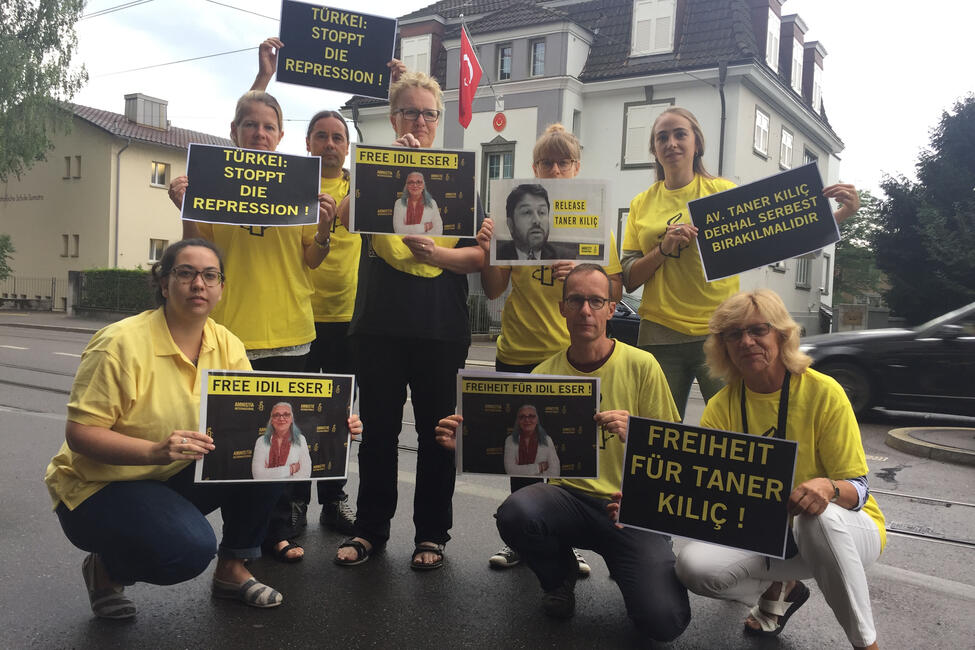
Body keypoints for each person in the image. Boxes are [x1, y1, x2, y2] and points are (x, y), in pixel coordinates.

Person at [435, 265, 690, 641]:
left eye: (596, 301)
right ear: (562, 308)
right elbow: (521, 447)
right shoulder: (544, 374)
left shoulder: (642, 366)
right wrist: (468, 446)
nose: (585, 310)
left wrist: (638, 434)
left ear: (611, 308)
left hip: (629, 508)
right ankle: (560, 577)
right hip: (568, 501)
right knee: (516, 513)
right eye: (576, 300)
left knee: (664, 622)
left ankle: (631, 566)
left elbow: (675, 453)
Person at [44, 240, 285, 617]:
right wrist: (154, 450)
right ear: (163, 283)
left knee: (270, 456)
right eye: (186, 273)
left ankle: (233, 568)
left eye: (210, 275)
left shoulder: (227, 344)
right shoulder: (119, 343)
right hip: (99, 487)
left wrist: (329, 427)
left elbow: (254, 421)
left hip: (170, 474)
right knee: (189, 550)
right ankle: (106, 569)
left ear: (221, 287)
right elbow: (81, 434)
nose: (199, 283)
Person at [168, 39, 336, 563]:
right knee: (230, 443)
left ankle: (275, 531)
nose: (259, 133)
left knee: (284, 437)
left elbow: (312, 258)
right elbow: (198, 247)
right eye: (250, 126)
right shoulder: (216, 182)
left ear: (281, 135)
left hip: (291, 332)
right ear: (235, 131)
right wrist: (185, 205)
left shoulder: (298, 183)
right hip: (229, 336)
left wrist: (325, 230)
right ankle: (225, 536)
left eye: (268, 127)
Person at [333, 67, 485, 571]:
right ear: (394, 117)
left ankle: (431, 534)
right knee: (378, 433)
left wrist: (436, 255)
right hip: (378, 325)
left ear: (438, 121)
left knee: (437, 435)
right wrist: (389, 165)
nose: (420, 121)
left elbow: (478, 257)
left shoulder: (460, 178)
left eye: (428, 114)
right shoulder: (375, 171)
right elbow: (345, 217)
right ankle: (370, 529)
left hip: (441, 328)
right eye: (410, 112)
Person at [674, 289, 885, 650]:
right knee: (694, 567)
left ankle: (866, 644)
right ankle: (783, 586)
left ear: (781, 335)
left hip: (846, 530)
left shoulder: (824, 392)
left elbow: (859, 490)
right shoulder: (721, 406)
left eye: (759, 330)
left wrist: (829, 488)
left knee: (816, 519)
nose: (747, 342)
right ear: (723, 346)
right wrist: (640, 501)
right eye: (734, 334)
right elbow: (704, 490)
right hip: (766, 534)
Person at [621, 107, 861, 420]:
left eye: (680, 134)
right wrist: (663, 249)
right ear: (654, 148)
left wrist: (839, 215)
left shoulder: (722, 194)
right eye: (662, 137)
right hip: (660, 333)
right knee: (657, 432)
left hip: (720, 333)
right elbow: (629, 278)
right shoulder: (641, 203)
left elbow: (777, 242)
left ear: (697, 144)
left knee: (735, 424)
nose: (671, 143)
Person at [476, 123, 623, 573]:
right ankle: (524, 539)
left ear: (577, 168)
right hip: (519, 352)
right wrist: (490, 251)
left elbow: (616, 289)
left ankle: (564, 541)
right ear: (534, 168)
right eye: (546, 163)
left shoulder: (593, 220)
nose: (555, 170)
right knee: (523, 453)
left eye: (563, 162)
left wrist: (582, 271)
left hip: (571, 356)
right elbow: (493, 289)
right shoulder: (517, 215)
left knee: (567, 454)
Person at [251, 403, 313, 480]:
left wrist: (269, 473)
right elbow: (258, 476)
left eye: (286, 415)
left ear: (291, 419)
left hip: (292, 487)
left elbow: (306, 473)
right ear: (271, 420)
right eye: (276, 415)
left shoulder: (301, 439)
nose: (281, 418)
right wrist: (291, 469)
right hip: (267, 487)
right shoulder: (261, 441)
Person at [495, 184, 556, 260]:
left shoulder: (562, 257)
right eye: (527, 212)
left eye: (542, 212)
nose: (537, 221)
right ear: (510, 224)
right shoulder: (496, 256)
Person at [503, 405, 560, 477]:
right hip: (517, 482)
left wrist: (522, 471)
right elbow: (510, 470)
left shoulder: (547, 440)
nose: (527, 420)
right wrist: (539, 467)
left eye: (531, 416)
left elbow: (555, 471)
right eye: (522, 417)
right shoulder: (510, 440)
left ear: (537, 420)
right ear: (518, 421)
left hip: (540, 483)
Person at [392, 171, 442, 235]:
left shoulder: (432, 203)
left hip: (426, 241)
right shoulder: (399, 203)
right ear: (407, 186)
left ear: (423, 186)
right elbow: (398, 230)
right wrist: (424, 227)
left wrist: (409, 230)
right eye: (411, 182)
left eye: (418, 182)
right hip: (404, 240)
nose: (415, 185)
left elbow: (438, 230)